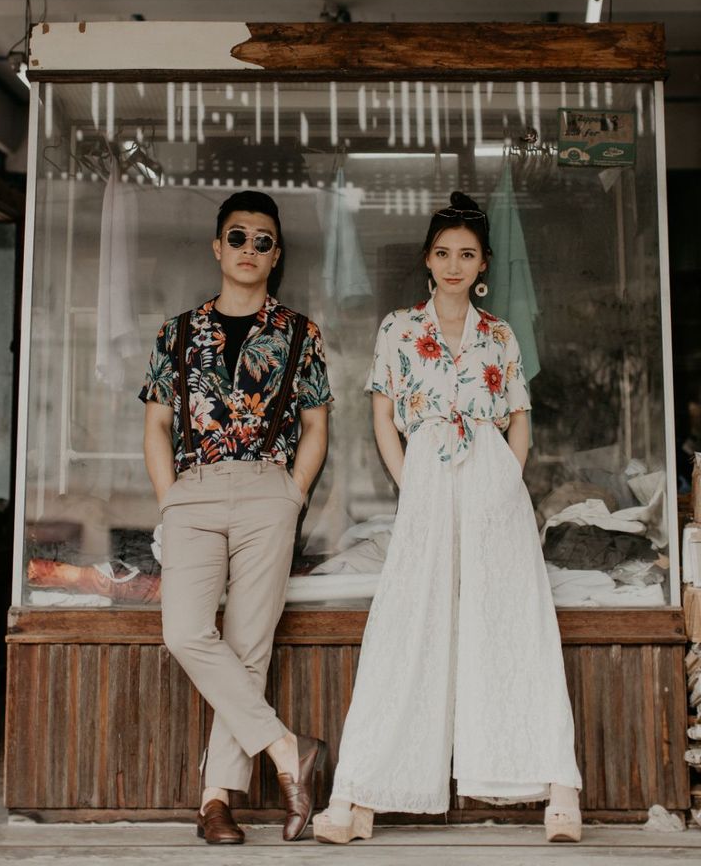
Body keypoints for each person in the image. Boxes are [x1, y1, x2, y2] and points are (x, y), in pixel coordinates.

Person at [313, 191, 582, 846]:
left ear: (484, 263)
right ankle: (359, 791)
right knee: (406, 623)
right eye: (443, 252)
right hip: (428, 474)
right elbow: (382, 414)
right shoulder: (398, 329)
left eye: (466, 253)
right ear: (427, 262)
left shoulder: (500, 334)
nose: (454, 263)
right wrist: (412, 483)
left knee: (516, 619)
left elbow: (520, 418)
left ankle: (559, 787)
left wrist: (504, 483)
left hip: (492, 480)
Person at [140, 190, 332, 845]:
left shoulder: (301, 333)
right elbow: (157, 425)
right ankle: (287, 750)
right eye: (238, 236)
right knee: (187, 631)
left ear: (275, 255)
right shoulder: (178, 331)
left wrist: (293, 493)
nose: (250, 248)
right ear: (217, 247)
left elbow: (316, 425)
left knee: (248, 646)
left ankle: (215, 800)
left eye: (263, 240)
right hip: (193, 492)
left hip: (266, 493)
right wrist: (170, 500)